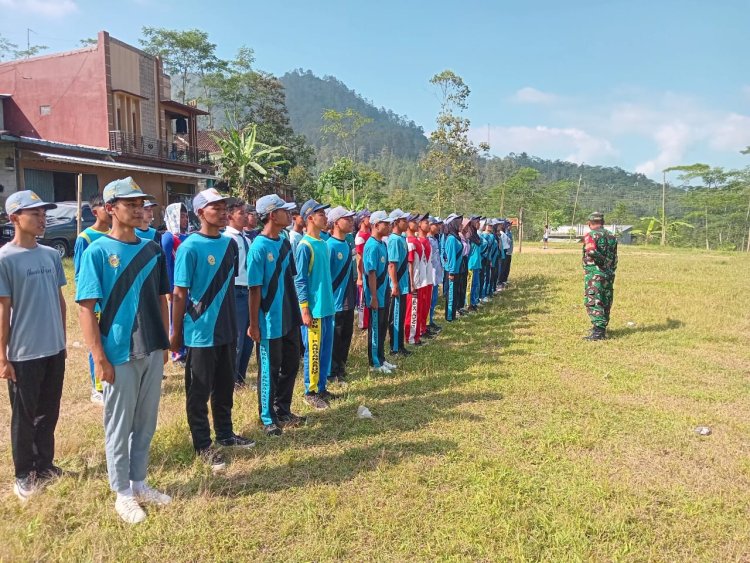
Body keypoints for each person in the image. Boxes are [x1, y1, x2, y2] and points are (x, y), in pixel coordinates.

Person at [76, 178, 171, 524]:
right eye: (129, 203)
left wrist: (165, 342)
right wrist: (99, 358)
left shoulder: (152, 249)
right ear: (111, 208)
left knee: (145, 423)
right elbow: (86, 308)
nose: (138, 209)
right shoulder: (97, 252)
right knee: (119, 425)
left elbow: (162, 298)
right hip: (118, 353)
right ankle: (122, 493)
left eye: (140, 203)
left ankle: (140, 482)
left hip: (151, 349)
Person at [171, 188, 255, 474]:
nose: (220, 212)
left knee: (224, 385)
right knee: (198, 390)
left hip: (227, 328)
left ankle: (226, 433)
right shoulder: (189, 248)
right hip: (200, 331)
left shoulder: (229, 246)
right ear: (199, 213)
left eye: (223, 207)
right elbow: (180, 293)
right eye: (214, 208)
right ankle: (202, 443)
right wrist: (176, 334)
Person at [0, 190, 66, 504]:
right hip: (23, 352)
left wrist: (62, 338)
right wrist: (2, 356)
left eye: (43, 213)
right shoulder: (5, 259)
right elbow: (3, 310)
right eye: (35, 213)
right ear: (14, 218)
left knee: (49, 412)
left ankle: (45, 464)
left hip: (54, 348)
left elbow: (59, 299)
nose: (42, 219)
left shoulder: (52, 254)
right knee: (23, 417)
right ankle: (24, 473)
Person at [247, 194, 304, 436]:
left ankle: (283, 409)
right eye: (284, 210)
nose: (289, 214)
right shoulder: (258, 248)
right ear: (272, 215)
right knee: (270, 367)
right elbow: (254, 289)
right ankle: (267, 416)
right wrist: (253, 324)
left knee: (291, 362)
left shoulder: (283, 241)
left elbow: (290, 277)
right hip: (269, 319)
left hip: (289, 316)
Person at [295, 199, 337, 410]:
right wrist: (304, 308)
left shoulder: (323, 243)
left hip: (328, 306)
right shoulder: (305, 246)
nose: (325, 217)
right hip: (314, 309)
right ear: (310, 218)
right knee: (313, 351)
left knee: (325, 350)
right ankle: (310, 391)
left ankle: (321, 387)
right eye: (321, 214)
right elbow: (300, 279)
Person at [73, 193, 111, 405]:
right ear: (96, 211)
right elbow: (79, 273)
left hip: (113, 301)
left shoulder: (115, 235)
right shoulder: (85, 238)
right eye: (106, 207)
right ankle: (97, 387)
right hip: (95, 301)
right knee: (95, 342)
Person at [223, 198, 254, 389]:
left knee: (249, 338)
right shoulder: (227, 239)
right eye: (240, 213)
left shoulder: (247, 239)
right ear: (229, 216)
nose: (245, 216)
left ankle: (241, 377)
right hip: (236, 291)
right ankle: (231, 379)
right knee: (238, 337)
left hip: (249, 291)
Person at [326, 206, 357, 383]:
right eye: (348, 219)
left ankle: (341, 368)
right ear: (337, 222)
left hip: (348, 298)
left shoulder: (346, 244)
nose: (352, 222)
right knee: (335, 338)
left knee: (346, 335)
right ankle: (331, 371)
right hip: (335, 301)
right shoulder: (329, 246)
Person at [363, 211, 395, 374]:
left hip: (384, 292)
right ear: (376, 225)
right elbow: (372, 273)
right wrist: (373, 296)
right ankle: (374, 362)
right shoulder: (371, 246)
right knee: (375, 328)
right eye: (386, 224)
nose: (389, 226)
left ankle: (381, 358)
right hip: (376, 295)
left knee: (382, 327)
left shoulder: (382, 244)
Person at [161, 202, 190, 365]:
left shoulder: (186, 236)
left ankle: (186, 348)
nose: (184, 219)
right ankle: (176, 352)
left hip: (187, 285)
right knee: (175, 318)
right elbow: (166, 264)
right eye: (181, 216)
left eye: (186, 216)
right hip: (175, 286)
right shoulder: (168, 237)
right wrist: (169, 288)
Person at [582, 211, 618, 340]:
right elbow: (615, 257)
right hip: (609, 273)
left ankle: (598, 331)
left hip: (595, 272)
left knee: (594, 299)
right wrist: (610, 268)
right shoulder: (612, 236)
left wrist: (601, 261)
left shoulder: (590, 235)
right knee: (606, 299)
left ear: (589, 223)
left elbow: (590, 251)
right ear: (603, 223)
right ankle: (601, 327)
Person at [387, 209, 411, 355]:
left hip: (403, 284)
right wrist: (395, 284)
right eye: (404, 220)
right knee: (395, 317)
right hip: (397, 285)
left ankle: (400, 345)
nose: (406, 223)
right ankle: (395, 348)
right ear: (396, 222)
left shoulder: (401, 239)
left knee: (400, 316)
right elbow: (392, 265)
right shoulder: (394, 240)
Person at [416, 213, 436, 338]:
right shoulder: (419, 241)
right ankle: (419, 329)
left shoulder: (427, 240)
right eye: (426, 223)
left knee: (426, 304)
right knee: (420, 305)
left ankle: (424, 327)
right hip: (421, 279)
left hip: (429, 278)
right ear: (419, 224)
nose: (428, 225)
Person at [442, 214, 463, 322]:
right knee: (451, 294)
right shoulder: (451, 239)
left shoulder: (456, 237)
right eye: (459, 223)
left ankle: (453, 314)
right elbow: (450, 257)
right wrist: (451, 272)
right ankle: (450, 317)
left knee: (454, 293)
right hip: (452, 272)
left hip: (457, 270)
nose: (461, 225)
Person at [354, 210, 372, 331]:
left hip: (370, 269)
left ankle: (368, 319)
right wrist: (360, 277)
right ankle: (362, 323)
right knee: (362, 297)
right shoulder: (360, 237)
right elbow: (359, 258)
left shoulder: (369, 234)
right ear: (362, 220)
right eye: (368, 217)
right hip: (363, 271)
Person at [426, 216, 443, 332]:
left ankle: (430, 320)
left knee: (434, 299)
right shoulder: (427, 240)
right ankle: (426, 323)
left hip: (435, 273)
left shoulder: (435, 239)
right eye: (435, 225)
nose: (438, 227)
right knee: (429, 300)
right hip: (429, 274)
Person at [466, 216, 483, 311]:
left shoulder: (476, 235)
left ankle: (474, 302)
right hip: (471, 265)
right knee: (470, 286)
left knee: (476, 284)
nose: (479, 224)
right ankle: (468, 305)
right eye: (477, 222)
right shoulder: (469, 236)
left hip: (477, 264)